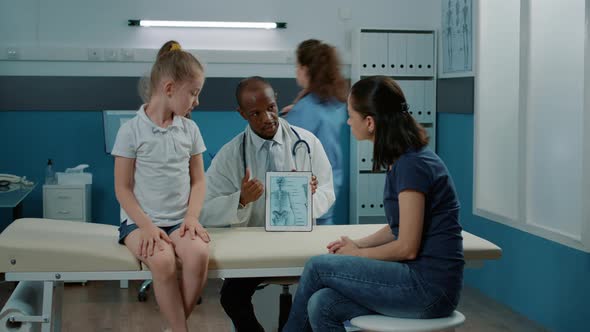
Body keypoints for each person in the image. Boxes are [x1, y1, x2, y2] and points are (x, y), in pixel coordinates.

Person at [283, 76, 464, 332]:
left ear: (369, 122)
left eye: (350, 115)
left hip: (429, 290)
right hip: (417, 281)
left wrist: (358, 254)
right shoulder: (403, 159)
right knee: (322, 304)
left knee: (317, 266)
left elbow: (407, 247)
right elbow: (398, 226)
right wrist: (358, 244)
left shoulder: (412, 164)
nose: (347, 122)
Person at [199, 76, 335, 332]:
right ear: (241, 114)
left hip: (297, 241)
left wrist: (308, 198)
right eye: (255, 113)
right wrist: (240, 200)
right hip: (255, 247)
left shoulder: (306, 143)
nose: (267, 118)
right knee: (231, 297)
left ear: (277, 102)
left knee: (319, 297)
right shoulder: (231, 154)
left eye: (271, 108)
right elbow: (204, 209)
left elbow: (328, 192)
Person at [112, 40, 210, 332]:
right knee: (164, 262)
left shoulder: (189, 129)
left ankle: (175, 328)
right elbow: (123, 188)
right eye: (193, 93)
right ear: (169, 89)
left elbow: (199, 180)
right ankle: (181, 330)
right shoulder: (131, 131)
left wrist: (191, 217)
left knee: (198, 255)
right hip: (139, 223)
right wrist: (147, 227)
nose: (197, 101)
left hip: (179, 221)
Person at [282, 39, 348, 225]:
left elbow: (285, 148)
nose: (296, 71)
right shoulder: (335, 104)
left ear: (305, 69)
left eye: (298, 66)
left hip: (308, 188)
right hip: (331, 182)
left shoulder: (304, 110)